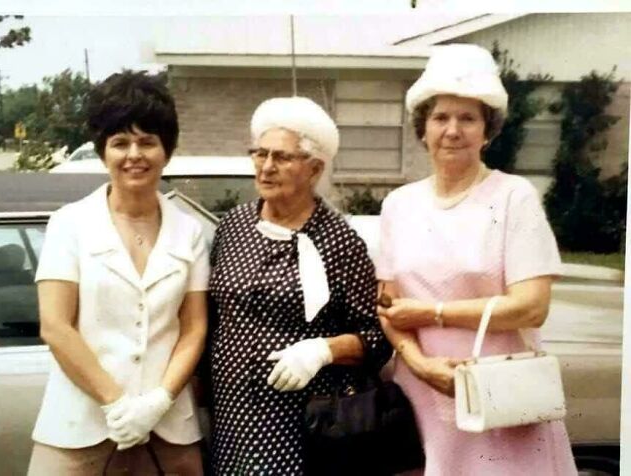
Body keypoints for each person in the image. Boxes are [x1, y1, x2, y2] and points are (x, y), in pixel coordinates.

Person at [376, 44, 578, 475]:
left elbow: (532, 306)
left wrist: (434, 312)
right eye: (440, 117)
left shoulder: (513, 197)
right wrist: (420, 364)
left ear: (488, 130)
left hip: (501, 389)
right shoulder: (399, 204)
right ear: (423, 128)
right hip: (425, 391)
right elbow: (388, 307)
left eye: (468, 118)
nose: (452, 130)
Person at [26, 71, 208, 475]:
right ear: (103, 151)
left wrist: (157, 403)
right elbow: (56, 326)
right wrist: (119, 405)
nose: (134, 155)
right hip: (80, 426)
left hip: (168, 429)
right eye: (120, 143)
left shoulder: (189, 230)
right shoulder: (69, 224)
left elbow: (193, 328)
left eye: (148, 142)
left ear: (167, 150)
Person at [207, 96, 392, 474]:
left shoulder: (339, 240)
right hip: (231, 418)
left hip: (303, 425)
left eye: (282, 157)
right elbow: (211, 317)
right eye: (260, 154)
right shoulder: (233, 226)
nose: (266, 167)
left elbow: (377, 338)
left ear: (314, 169)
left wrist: (322, 351)